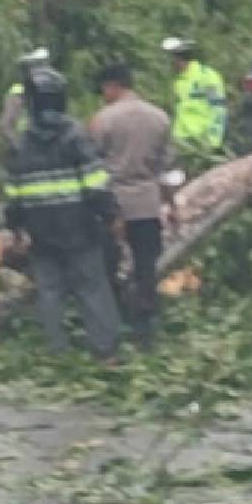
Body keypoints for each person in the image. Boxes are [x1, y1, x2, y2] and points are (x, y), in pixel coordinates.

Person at [4, 66, 123, 362]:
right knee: (92, 288)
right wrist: (112, 216)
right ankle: (105, 351)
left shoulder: (21, 145)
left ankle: (58, 354)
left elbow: (13, 195)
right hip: (79, 229)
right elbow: (96, 185)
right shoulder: (75, 136)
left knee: (50, 293)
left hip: (41, 233)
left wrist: (15, 229)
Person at [90, 63, 176, 350]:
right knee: (146, 266)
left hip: (114, 204)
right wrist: (171, 202)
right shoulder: (159, 118)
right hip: (147, 202)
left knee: (109, 266)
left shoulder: (102, 121)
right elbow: (166, 167)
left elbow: (93, 167)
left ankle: (114, 324)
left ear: (112, 86)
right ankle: (146, 329)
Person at [161, 37, 227, 153]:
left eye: (171, 59)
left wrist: (213, 141)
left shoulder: (207, 76)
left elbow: (218, 109)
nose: (169, 64)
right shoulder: (177, 81)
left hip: (201, 140)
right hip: (181, 139)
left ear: (179, 59)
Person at [0, 46, 51, 152]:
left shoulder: (50, 90)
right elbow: (5, 125)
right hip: (26, 149)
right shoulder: (18, 92)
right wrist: (19, 147)